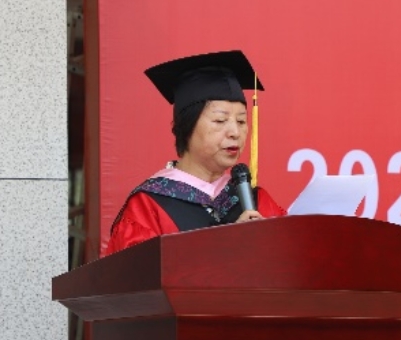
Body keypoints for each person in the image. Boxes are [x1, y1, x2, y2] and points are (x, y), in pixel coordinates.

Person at [107, 50, 287, 254]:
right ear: (188, 126)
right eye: (220, 120)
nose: (235, 133)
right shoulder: (149, 206)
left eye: (241, 121)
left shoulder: (257, 202)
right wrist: (228, 247)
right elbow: (138, 272)